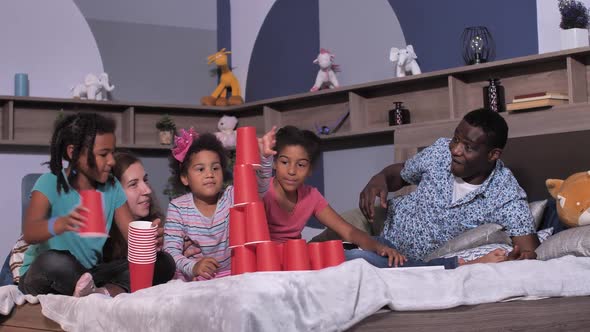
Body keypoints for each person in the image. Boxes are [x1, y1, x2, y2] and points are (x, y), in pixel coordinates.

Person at [258, 125, 504, 269]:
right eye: (284, 162)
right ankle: (455, 265)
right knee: (360, 256)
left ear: (310, 169)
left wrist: (383, 247)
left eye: (300, 165)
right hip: (276, 262)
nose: (291, 171)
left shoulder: (310, 196)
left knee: (378, 245)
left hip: (303, 254)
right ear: (274, 162)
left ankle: (425, 264)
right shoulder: (263, 190)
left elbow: (350, 232)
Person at [358, 108, 539, 267]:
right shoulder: (440, 152)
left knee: (353, 260)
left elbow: (529, 250)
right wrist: (380, 178)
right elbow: (400, 173)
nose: (455, 150)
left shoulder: (505, 194)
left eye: (467, 147)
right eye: (456, 139)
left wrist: (517, 260)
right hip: (380, 227)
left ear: (493, 155)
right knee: (339, 247)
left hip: (410, 263)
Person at [19, 112, 151, 297]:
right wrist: (59, 224)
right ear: (73, 153)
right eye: (103, 154)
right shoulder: (49, 182)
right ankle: (94, 292)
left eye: (112, 152)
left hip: (89, 274)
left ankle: (101, 292)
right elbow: (30, 233)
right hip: (43, 274)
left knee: (162, 262)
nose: (112, 161)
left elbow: (131, 235)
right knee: (54, 262)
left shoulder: (112, 187)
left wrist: (148, 240)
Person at [163, 128, 276, 281]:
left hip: (233, 276)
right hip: (196, 280)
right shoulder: (178, 207)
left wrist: (264, 158)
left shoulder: (231, 197)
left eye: (215, 168)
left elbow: (258, 189)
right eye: (200, 169)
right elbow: (170, 252)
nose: (210, 174)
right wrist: (194, 267)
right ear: (184, 178)